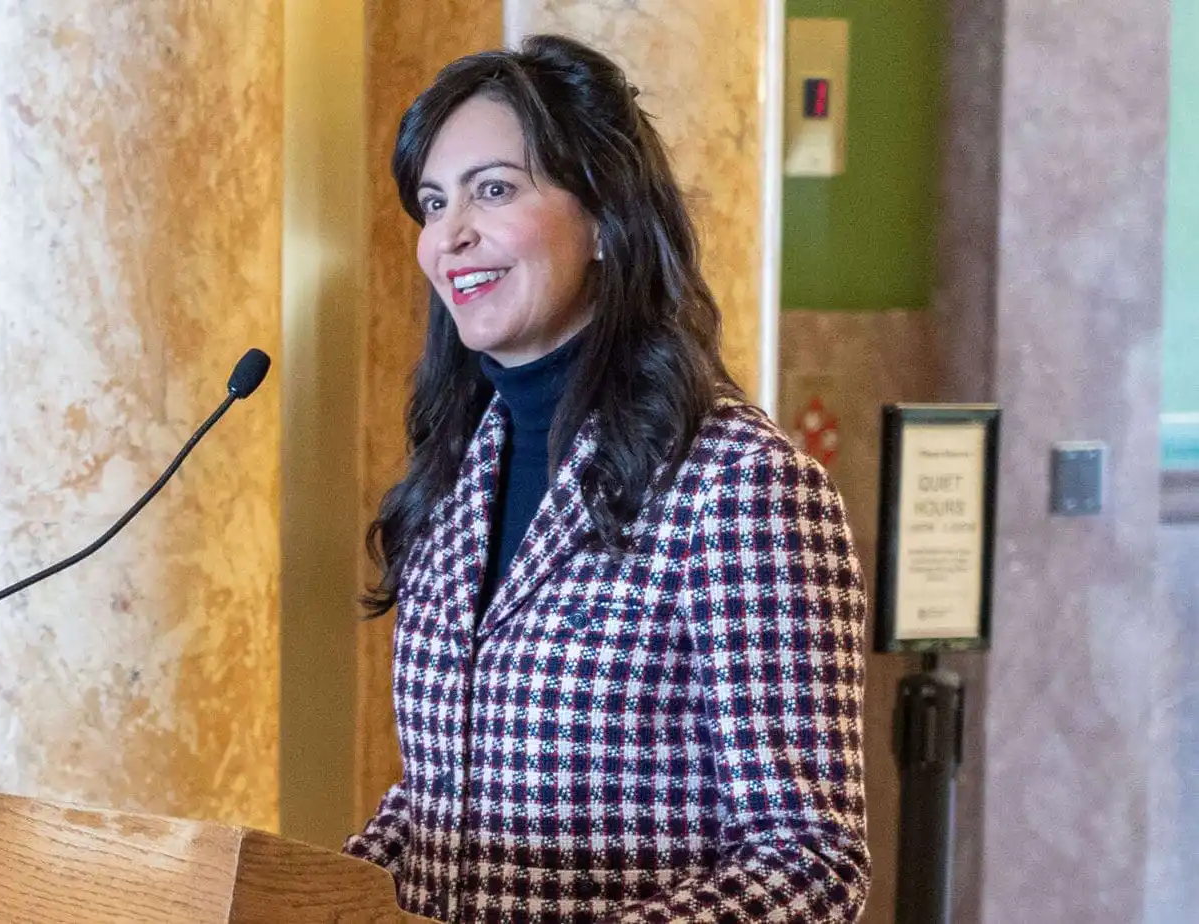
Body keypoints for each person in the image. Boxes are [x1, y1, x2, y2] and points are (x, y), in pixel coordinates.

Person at [344, 35, 870, 923]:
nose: (449, 234)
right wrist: (314, 894)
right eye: (434, 203)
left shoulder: (739, 486)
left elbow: (811, 862)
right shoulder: (455, 470)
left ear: (603, 217)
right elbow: (444, 799)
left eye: (495, 189)